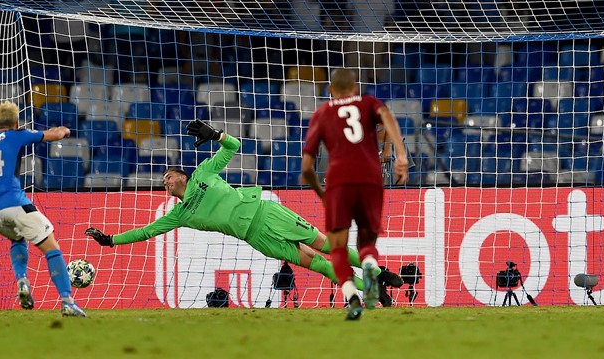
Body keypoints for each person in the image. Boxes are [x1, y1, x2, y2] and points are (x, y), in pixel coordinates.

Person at [84, 119, 400, 304]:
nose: (165, 180)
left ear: (182, 175)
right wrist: (111, 240)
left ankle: (380, 272)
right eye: (163, 180)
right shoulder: (177, 214)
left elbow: (234, 147)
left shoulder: (204, 173)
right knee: (319, 266)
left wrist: (215, 135)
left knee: (329, 246)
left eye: (169, 175)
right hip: (255, 236)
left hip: (267, 213)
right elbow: (146, 232)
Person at [302, 68, 409, 320]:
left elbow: (306, 167)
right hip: (371, 179)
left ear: (330, 90)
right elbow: (388, 117)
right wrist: (401, 155)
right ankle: (371, 267)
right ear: (355, 89)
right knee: (366, 243)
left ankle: (352, 297)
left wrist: (321, 194)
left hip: (339, 183)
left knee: (337, 246)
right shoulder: (369, 103)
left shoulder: (322, 114)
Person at [0, 101, 86, 317]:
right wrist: (64, 130)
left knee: (18, 239)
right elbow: (51, 136)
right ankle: (67, 300)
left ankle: (22, 280)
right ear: (16, 122)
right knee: (51, 244)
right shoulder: (16, 135)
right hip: (13, 203)